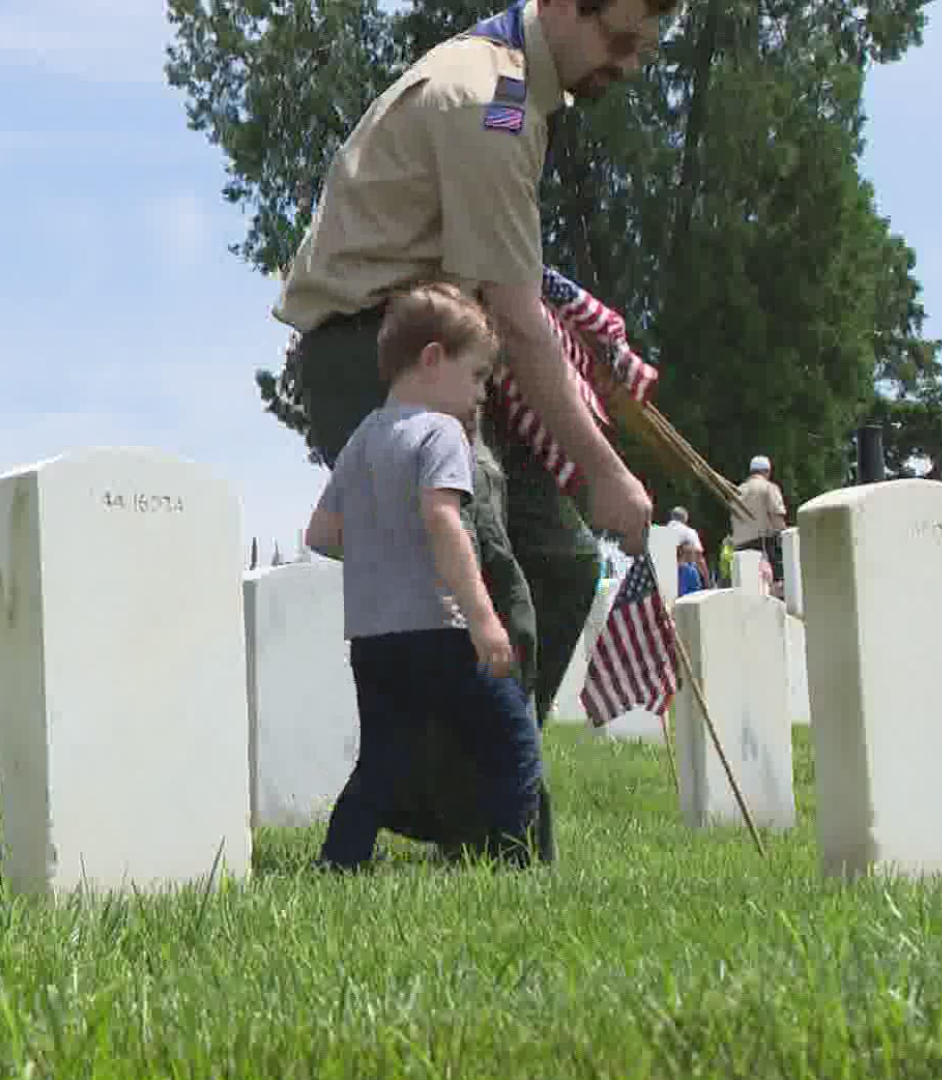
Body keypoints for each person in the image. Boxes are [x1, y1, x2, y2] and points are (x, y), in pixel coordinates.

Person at [271, 0, 676, 729]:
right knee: (480, 579)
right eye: (618, 39)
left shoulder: (516, 92)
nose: (630, 63)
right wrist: (605, 472)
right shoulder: (494, 101)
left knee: (557, 562)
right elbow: (518, 320)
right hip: (373, 353)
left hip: (439, 347)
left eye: (643, 49)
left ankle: (487, 790)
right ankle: (474, 804)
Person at [305, 282, 544, 871]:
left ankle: (340, 860)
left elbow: (321, 534)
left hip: (372, 641)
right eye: (476, 376)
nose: (480, 393)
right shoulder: (441, 433)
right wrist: (486, 621)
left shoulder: (363, 437)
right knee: (512, 740)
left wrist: (379, 553)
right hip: (440, 631)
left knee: (382, 760)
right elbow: (444, 521)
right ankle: (509, 860)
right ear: (433, 358)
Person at [731, 455, 787, 596]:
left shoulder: (737, 491)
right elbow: (777, 517)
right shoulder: (768, 487)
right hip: (763, 545)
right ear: (767, 471)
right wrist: (786, 538)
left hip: (739, 548)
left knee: (748, 593)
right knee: (775, 589)